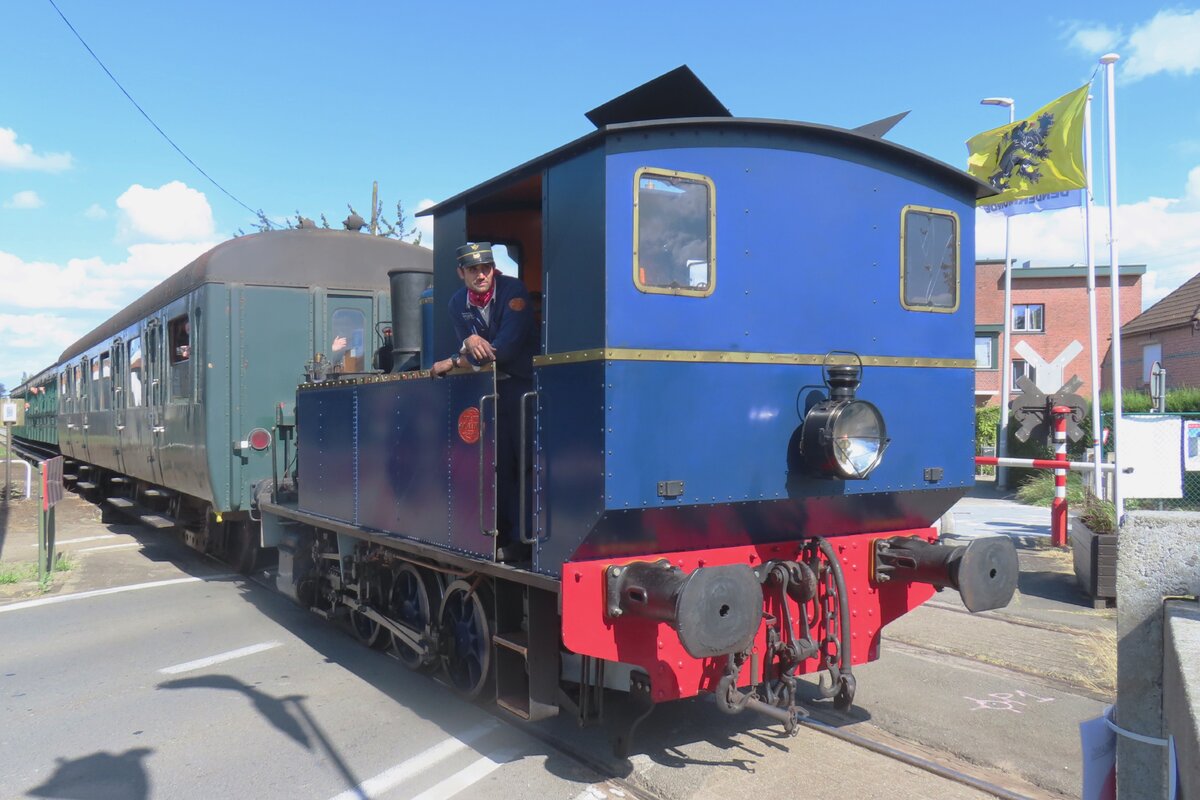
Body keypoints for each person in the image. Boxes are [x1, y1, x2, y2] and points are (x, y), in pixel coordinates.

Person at [432, 242, 538, 560]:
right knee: (497, 464)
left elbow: (500, 352)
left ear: (493, 269)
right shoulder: (456, 303)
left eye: (486, 268)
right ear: (461, 273)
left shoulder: (514, 292)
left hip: (522, 387)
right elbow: (474, 350)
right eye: (474, 270)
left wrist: (452, 360)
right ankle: (502, 535)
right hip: (492, 392)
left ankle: (527, 540)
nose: (481, 275)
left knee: (525, 464)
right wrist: (469, 341)